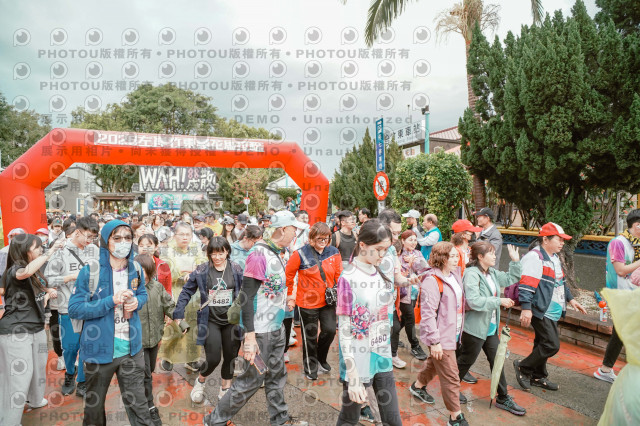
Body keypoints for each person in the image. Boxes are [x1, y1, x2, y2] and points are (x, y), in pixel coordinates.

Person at [203, 210, 309, 426]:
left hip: (276, 328)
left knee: (276, 376)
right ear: (283, 230)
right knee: (251, 380)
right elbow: (246, 298)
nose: (296, 234)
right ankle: (214, 421)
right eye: (294, 230)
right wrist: (250, 338)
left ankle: (280, 419)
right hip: (260, 333)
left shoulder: (277, 253)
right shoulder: (259, 255)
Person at [68, 219, 152, 426]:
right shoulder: (91, 271)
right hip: (99, 351)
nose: (123, 242)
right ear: (106, 241)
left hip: (131, 350)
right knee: (94, 409)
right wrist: (110, 301)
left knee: (139, 405)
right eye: (117, 238)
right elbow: (75, 308)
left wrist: (137, 302)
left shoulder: (136, 268)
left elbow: (142, 293)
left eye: (127, 238)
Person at [335, 219, 402, 426]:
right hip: (358, 360)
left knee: (393, 419)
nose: (383, 255)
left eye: (386, 250)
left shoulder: (377, 272)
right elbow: (344, 330)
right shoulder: (348, 278)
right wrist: (353, 375)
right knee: (349, 418)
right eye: (379, 249)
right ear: (362, 245)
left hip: (381, 355)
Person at [514, 223, 587, 392]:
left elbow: (560, 282)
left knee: (541, 342)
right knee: (551, 344)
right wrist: (526, 308)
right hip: (540, 308)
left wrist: (571, 299)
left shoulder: (554, 257)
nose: (562, 243)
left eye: (563, 240)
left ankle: (538, 375)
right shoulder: (535, 257)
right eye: (559, 239)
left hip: (552, 309)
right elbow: (526, 285)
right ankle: (523, 367)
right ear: (545, 239)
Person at [455, 241, 526, 415]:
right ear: (480, 256)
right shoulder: (472, 274)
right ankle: (451, 388)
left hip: (491, 327)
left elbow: (510, 279)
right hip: (474, 328)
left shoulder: (491, 272)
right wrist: (499, 301)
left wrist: (515, 261)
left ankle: (502, 397)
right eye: (491, 253)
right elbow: (473, 301)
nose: (495, 256)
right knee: (465, 361)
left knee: (497, 361)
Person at [0, 234, 62, 425]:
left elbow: (37, 293)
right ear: (25, 250)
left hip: (36, 327)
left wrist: (48, 293)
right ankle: (9, 421)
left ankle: (35, 399)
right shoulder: (15, 270)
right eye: (37, 247)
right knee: (19, 377)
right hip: (15, 331)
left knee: (38, 368)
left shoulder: (35, 271)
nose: (41, 249)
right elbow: (24, 273)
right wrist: (51, 251)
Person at [175, 236, 244, 403]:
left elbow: (244, 292)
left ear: (227, 252)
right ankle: (201, 381)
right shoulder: (202, 270)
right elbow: (186, 291)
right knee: (213, 358)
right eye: (214, 254)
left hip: (231, 320)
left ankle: (225, 387)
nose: (217, 257)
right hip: (210, 320)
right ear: (209, 254)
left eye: (221, 253)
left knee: (231, 356)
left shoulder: (236, 268)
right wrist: (178, 313)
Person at [409, 242, 468, 426]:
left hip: (453, 332)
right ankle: (455, 417)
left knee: (434, 364)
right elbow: (428, 314)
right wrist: (435, 342)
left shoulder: (455, 275)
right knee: (451, 376)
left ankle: (417, 386)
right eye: (452, 256)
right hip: (440, 336)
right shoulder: (432, 281)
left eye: (457, 256)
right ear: (441, 258)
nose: (456, 260)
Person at [44, 217, 100, 397]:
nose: (90, 241)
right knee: (70, 347)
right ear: (77, 232)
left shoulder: (94, 250)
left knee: (87, 346)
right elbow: (47, 280)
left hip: (91, 306)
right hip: (68, 307)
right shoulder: (61, 251)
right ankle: (70, 372)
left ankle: (82, 381)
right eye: (88, 236)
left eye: (93, 237)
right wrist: (70, 277)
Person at [286, 222, 342, 379]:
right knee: (309, 336)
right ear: (311, 238)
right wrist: (290, 296)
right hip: (307, 302)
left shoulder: (334, 252)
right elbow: (288, 275)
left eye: (326, 238)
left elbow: (339, 274)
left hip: (328, 301)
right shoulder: (300, 254)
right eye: (320, 238)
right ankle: (310, 366)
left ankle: (321, 358)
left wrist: (341, 293)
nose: (323, 241)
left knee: (330, 330)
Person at [593, 209, 640, 383]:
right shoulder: (618, 243)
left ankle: (606, 369)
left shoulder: (637, 244)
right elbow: (620, 270)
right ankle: (606, 369)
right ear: (637, 225)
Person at [158, 222, 207, 372]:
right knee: (175, 326)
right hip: (175, 291)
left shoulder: (195, 248)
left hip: (194, 294)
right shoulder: (167, 250)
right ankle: (167, 357)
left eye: (188, 234)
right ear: (175, 235)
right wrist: (183, 273)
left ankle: (192, 359)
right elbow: (166, 270)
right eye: (182, 234)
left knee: (193, 327)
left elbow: (202, 264)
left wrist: (193, 272)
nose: (185, 237)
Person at [135, 254, 175, 426]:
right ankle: (149, 405)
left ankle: (143, 396)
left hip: (154, 338)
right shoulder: (130, 290)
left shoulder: (157, 287)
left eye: (145, 270)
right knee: (145, 374)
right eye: (139, 270)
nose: (142, 274)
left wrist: (180, 320)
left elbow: (169, 305)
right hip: (138, 341)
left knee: (150, 370)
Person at [392, 230, 428, 362]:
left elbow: (424, 268)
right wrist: (408, 264)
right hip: (402, 293)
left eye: (415, 240)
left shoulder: (417, 253)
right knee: (410, 319)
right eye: (410, 240)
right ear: (403, 241)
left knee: (405, 318)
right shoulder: (398, 254)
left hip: (414, 292)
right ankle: (415, 345)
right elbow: (398, 274)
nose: (413, 242)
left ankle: (393, 337)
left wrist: (415, 262)